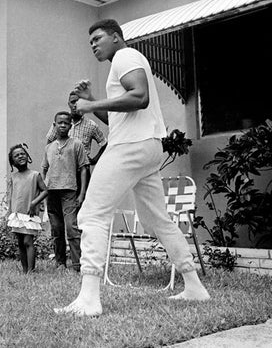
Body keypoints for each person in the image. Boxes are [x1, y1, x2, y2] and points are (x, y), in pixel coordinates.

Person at [54, 19, 209, 317]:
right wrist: (91, 102)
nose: (94, 45)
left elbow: (139, 97)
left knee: (92, 213)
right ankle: (194, 285)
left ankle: (89, 298)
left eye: (98, 38)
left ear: (116, 37)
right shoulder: (126, 61)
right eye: (90, 43)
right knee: (156, 219)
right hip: (147, 146)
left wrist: (89, 105)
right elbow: (119, 119)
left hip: (130, 147)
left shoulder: (125, 56)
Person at [42, 111, 89, 272]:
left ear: (70, 126)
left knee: (72, 228)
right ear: (54, 125)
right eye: (59, 123)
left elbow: (84, 169)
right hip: (51, 193)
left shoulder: (77, 144)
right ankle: (60, 262)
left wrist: (82, 194)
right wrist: (43, 192)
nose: (62, 125)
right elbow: (44, 169)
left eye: (66, 123)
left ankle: (77, 264)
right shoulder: (49, 147)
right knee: (56, 229)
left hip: (69, 192)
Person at [5, 143, 49, 273]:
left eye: (22, 154)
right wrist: (9, 213)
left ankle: (31, 270)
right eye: (16, 155)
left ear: (27, 156)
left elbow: (45, 191)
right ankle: (25, 270)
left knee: (28, 241)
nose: (20, 156)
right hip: (17, 215)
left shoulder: (35, 175)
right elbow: (11, 196)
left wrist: (34, 203)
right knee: (20, 242)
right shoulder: (13, 177)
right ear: (12, 161)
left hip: (29, 214)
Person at [45, 91, 107, 167]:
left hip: (82, 169)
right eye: (73, 102)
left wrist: (95, 160)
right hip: (62, 168)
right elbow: (49, 143)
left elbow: (104, 143)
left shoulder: (91, 125)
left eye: (78, 102)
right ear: (69, 104)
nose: (75, 105)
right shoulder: (61, 123)